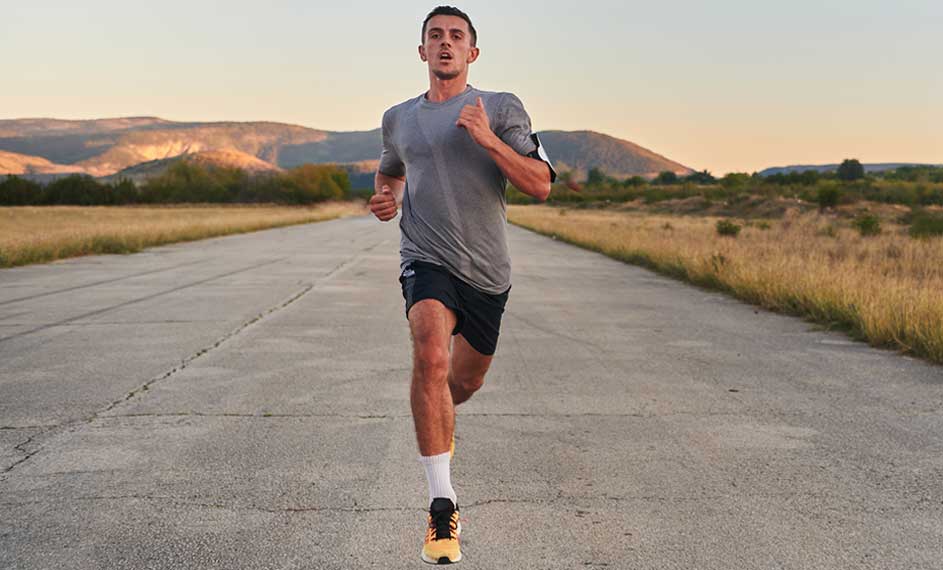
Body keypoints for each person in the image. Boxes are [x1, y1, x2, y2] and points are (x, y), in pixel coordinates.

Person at [369, 5, 555, 565]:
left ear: (472, 53)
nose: (445, 44)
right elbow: (391, 168)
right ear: (421, 51)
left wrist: (487, 140)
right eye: (435, 36)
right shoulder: (398, 117)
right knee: (429, 357)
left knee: (461, 385)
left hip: (488, 274)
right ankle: (441, 503)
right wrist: (385, 197)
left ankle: (438, 417)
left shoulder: (499, 108)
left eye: (456, 37)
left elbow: (541, 185)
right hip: (425, 257)